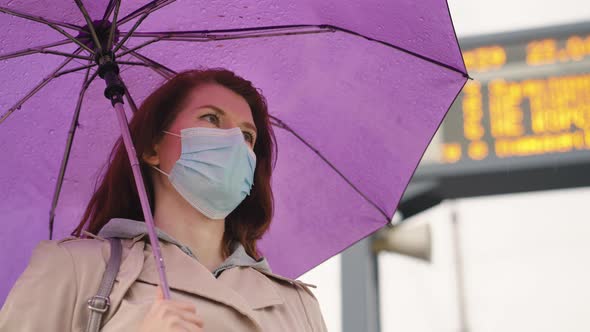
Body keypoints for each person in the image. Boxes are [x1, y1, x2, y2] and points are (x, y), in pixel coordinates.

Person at [0, 69, 327, 331]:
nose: (234, 142)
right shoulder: (75, 269)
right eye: (212, 118)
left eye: (247, 135)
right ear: (152, 148)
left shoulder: (297, 304)